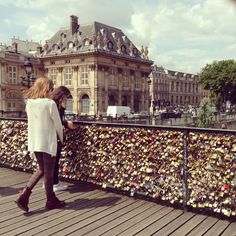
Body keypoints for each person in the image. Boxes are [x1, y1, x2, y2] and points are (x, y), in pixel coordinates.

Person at [15, 77, 66, 212]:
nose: (51, 90)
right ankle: (49, 200)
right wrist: (62, 139)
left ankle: (26, 195)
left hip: (35, 142)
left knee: (42, 169)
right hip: (48, 142)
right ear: (46, 88)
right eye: (50, 88)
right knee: (48, 173)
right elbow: (58, 125)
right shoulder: (50, 104)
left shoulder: (29, 103)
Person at [49, 86, 77, 191]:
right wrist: (66, 123)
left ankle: (50, 182)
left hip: (52, 135)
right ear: (62, 95)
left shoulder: (54, 104)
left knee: (52, 161)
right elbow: (57, 120)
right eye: (67, 96)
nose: (67, 98)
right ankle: (54, 184)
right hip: (55, 136)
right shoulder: (55, 105)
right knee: (55, 161)